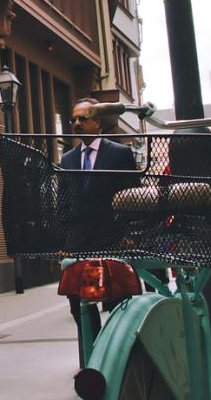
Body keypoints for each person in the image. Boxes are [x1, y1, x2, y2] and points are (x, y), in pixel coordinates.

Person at [58, 98, 139, 361]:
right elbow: (63, 201)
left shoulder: (119, 154)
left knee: (117, 298)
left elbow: (133, 196)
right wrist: (61, 240)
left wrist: (131, 233)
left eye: (84, 118)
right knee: (77, 301)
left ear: (99, 123)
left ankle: (117, 356)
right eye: (74, 119)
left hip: (113, 235)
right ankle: (90, 357)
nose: (77, 124)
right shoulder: (67, 159)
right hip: (78, 241)